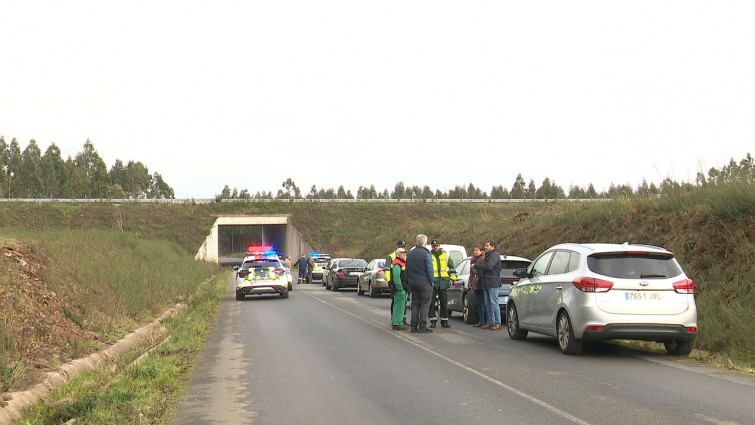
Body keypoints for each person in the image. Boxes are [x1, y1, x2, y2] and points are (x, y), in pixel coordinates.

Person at [406, 234, 435, 333]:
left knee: (415, 304)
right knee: (424, 304)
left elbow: (407, 269)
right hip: (424, 283)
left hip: (413, 283)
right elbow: (430, 270)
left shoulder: (410, 253)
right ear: (425, 243)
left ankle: (413, 326)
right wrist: (432, 282)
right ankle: (422, 326)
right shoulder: (426, 254)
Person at [471, 240, 503, 330]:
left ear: (493, 247)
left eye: (487, 245)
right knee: (487, 303)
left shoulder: (494, 255)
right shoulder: (488, 255)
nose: (485, 247)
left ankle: (498, 322)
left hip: (493, 282)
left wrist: (476, 265)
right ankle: (490, 321)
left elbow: (489, 266)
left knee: (494, 303)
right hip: (486, 282)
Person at [428, 239, 457, 328]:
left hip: (443, 282)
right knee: (432, 302)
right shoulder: (429, 256)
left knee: (444, 303)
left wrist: (452, 278)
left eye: (436, 246)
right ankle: (432, 320)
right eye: (433, 246)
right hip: (433, 282)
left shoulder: (445, 256)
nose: (435, 248)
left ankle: (444, 320)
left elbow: (452, 268)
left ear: (439, 246)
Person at [386, 240, 407, 321]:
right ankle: (395, 319)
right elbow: (387, 270)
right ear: (397, 247)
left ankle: (402, 319)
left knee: (402, 303)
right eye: (401, 247)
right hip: (395, 283)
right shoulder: (391, 256)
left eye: (404, 247)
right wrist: (389, 281)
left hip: (404, 283)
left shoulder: (405, 256)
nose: (403, 248)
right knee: (396, 302)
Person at [390, 248, 410, 330]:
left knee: (401, 307)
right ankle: (397, 323)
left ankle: (399, 322)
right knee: (398, 306)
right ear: (397, 254)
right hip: (399, 290)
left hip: (403, 289)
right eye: (402, 253)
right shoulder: (397, 264)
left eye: (405, 253)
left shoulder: (401, 263)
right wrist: (401, 289)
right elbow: (396, 278)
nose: (404, 254)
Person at [469, 245, 487, 327]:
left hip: (482, 282)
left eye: (477, 250)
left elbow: (483, 271)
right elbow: (471, 273)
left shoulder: (484, 259)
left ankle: (487, 320)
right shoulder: (473, 260)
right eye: (474, 250)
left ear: (481, 251)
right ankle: (481, 320)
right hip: (475, 283)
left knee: (484, 303)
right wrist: (470, 283)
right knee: (479, 303)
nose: (475, 252)